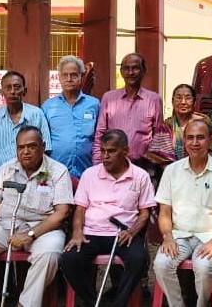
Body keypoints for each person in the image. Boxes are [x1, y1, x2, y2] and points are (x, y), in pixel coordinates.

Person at [0, 126, 73, 307]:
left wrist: (31, 234)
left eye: (31, 146)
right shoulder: (6, 169)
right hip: (7, 227)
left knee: (49, 254)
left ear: (43, 147)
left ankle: (25, 304)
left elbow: (62, 212)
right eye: (21, 147)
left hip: (44, 229)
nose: (26, 152)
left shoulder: (58, 171)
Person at [153, 119, 212, 307]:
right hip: (179, 235)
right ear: (184, 141)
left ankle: (202, 304)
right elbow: (164, 212)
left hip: (211, 236)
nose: (195, 143)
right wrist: (167, 237)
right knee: (161, 265)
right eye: (190, 138)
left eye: (200, 138)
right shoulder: (172, 171)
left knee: (203, 266)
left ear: (210, 141)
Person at [61, 130, 156, 307]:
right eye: (103, 151)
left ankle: (119, 302)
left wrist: (132, 232)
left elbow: (145, 213)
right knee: (68, 259)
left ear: (125, 151)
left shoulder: (140, 175)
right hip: (91, 232)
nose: (105, 156)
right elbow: (80, 208)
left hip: (123, 233)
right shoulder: (89, 174)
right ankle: (92, 302)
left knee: (139, 258)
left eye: (111, 151)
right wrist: (77, 232)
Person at [94, 53, 164, 165]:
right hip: (113, 164)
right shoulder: (108, 98)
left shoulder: (154, 100)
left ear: (144, 71)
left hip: (143, 165)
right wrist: (98, 164)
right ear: (121, 71)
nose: (131, 72)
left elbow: (158, 136)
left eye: (135, 68)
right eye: (126, 68)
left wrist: (154, 166)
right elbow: (100, 134)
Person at [42, 55, 100, 178]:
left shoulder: (94, 104)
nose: (69, 79)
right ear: (59, 77)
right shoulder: (48, 107)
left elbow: (100, 137)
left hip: (87, 172)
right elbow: (44, 142)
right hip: (56, 174)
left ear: (81, 77)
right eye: (65, 75)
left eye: (74, 75)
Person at [0, 71, 52, 165]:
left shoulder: (37, 114)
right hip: (1, 171)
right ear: (1, 92)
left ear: (24, 91)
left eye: (17, 87)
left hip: (31, 172)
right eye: (8, 87)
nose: (12, 91)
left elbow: (45, 149)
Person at [147, 83, 212, 165]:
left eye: (188, 98)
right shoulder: (167, 126)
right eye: (178, 98)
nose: (183, 102)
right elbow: (161, 157)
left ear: (194, 102)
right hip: (174, 170)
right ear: (173, 101)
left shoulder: (204, 121)